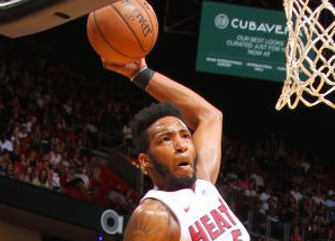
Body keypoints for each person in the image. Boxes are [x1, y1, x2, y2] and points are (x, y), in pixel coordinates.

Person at [104, 58, 249, 241]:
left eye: (185, 136)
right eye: (166, 139)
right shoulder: (154, 215)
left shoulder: (203, 184)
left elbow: (210, 116)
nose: (181, 145)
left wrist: (141, 74)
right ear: (145, 161)